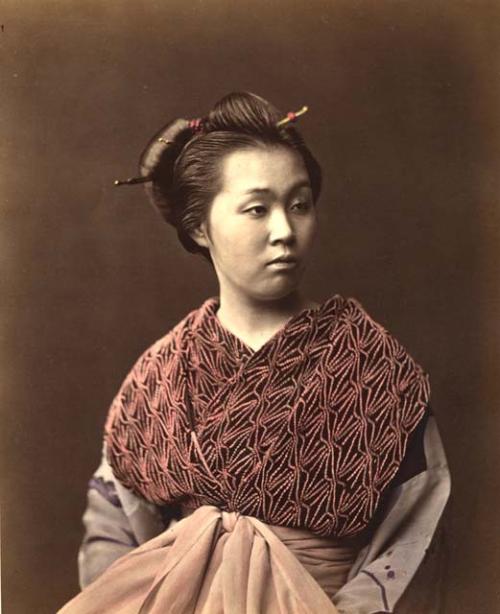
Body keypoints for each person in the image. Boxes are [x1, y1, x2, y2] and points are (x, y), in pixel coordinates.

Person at [59, 92, 451, 613]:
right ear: (199, 227)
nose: (285, 231)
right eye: (257, 209)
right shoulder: (160, 374)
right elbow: (112, 532)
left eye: (299, 204)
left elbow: (413, 535)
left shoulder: (372, 365)